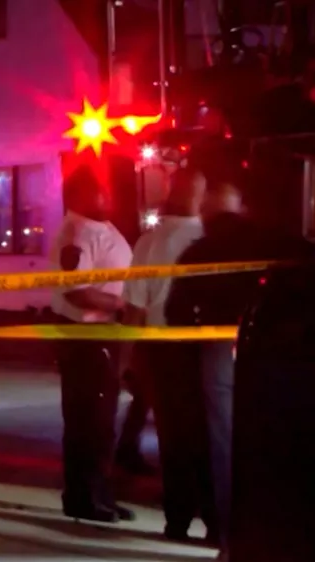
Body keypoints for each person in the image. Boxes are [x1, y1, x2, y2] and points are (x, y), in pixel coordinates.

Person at [166, 167, 315, 558]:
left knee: (223, 443)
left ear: (208, 207)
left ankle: (229, 537)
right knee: (272, 438)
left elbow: (175, 312)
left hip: (218, 350)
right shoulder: (276, 241)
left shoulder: (200, 251)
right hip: (274, 351)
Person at [121, 167, 214, 541]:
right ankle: (216, 521)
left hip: (163, 352)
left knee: (172, 438)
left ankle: (177, 520)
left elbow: (134, 309)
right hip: (207, 350)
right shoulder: (213, 239)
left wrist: (125, 359)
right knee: (210, 435)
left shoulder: (150, 242)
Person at [50, 162, 136, 524]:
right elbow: (78, 293)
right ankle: (85, 497)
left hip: (104, 337)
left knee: (102, 420)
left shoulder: (100, 227)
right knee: (90, 419)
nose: (107, 194)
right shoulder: (77, 233)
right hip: (87, 338)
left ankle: (100, 492)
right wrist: (121, 305)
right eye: (99, 189)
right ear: (80, 196)